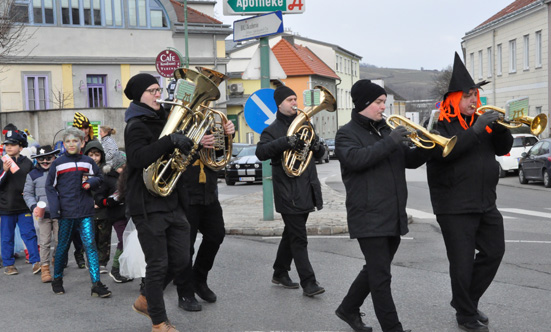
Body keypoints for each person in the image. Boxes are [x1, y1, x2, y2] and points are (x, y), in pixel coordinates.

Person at [426, 53, 513, 332]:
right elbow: (444, 155)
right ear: (453, 99)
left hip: (486, 203)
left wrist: (499, 129)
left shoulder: (481, 123)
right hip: (454, 207)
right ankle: (465, 315)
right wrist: (475, 129)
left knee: (494, 252)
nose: (474, 101)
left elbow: (501, 149)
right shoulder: (440, 127)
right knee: (462, 264)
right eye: (467, 96)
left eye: (475, 96)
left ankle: (467, 302)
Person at [334, 79, 428, 332]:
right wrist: (392, 141)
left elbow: (408, 160)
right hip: (367, 216)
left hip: (393, 214)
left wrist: (428, 145)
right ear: (364, 103)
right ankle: (392, 329)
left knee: (376, 270)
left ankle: (347, 308)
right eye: (378, 102)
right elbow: (356, 160)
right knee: (381, 277)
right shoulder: (346, 133)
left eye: (384, 102)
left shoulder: (386, 130)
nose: (383, 107)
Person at [124, 73, 191, 332]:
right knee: (158, 264)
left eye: (158, 89)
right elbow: (138, 158)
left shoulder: (166, 121)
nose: (157, 94)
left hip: (171, 200)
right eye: (151, 91)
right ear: (140, 95)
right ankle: (159, 322)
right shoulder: (136, 125)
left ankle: (144, 300)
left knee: (182, 260)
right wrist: (170, 141)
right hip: (146, 204)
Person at [255, 85, 325, 297]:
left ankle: (279, 271)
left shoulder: (305, 124)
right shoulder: (272, 129)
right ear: (279, 104)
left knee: (291, 233)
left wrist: (316, 146)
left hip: (306, 187)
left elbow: (320, 154)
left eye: (295, 99)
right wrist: (285, 142)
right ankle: (309, 283)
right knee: (298, 237)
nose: (295, 103)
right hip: (287, 191)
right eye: (290, 100)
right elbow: (261, 152)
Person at [45, 127, 111, 298]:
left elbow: (99, 177)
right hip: (66, 214)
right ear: (63, 144)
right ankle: (57, 280)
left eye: (75, 141)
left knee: (90, 246)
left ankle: (96, 284)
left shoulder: (88, 161)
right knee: (62, 247)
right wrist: (55, 209)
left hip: (86, 212)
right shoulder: (58, 163)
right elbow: (49, 187)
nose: (71, 144)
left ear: (82, 142)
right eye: (68, 141)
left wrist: (91, 183)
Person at [177, 120, 234, 312]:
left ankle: (199, 278)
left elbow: (219, 158)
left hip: (208, 192)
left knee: (216, 235)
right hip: (185, 193)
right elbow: (173, 155)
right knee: (186, 247)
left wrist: (227, 137)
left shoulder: (210, 125)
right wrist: (196, 142)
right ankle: (185, 292)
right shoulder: (178, 125)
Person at [0, 129, 41, 275]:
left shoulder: (27, 162)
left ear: (21, 146)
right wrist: (4, 171)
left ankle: (36, 262)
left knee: (29, 234)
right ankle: (9, 264)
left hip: (24, 206)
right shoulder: (2, 161)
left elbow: (34, 181)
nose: (9, 147)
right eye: (6, 144)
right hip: (6, 207)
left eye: (13, 144)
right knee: (6, 237)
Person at [23, 145, 60, 283]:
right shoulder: (32, 175)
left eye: (48, 158)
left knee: (59, 241)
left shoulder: (59, 172)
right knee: (44, 242)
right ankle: (45, 267)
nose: (45, 161)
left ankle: (57, 260)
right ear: (36, 159)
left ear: (54, 157)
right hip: (43, 215)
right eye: (41, 159)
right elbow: (27, 193)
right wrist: (33, 206)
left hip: (59, 213)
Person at [94, 150, 132, 283]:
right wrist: (106, 202)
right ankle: (115, 269)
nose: (123, 169)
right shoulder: (108, 178)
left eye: (125, 167)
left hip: (130, 214)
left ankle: (125, 268)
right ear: (116, 167)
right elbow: (99, 196)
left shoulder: (130, 176)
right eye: (121, 167)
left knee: (131, 241)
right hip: (117, 214)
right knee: (123, 239)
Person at [84, 140, 110, 274]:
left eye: (97, 155)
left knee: (104, 237)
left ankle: (102, 262)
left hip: (104, 209)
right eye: (91, 155)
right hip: (88, 209)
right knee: (90, 237)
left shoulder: (106, 170)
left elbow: (111, 188)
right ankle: (91, 261)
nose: (94, 158)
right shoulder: (82, 170)